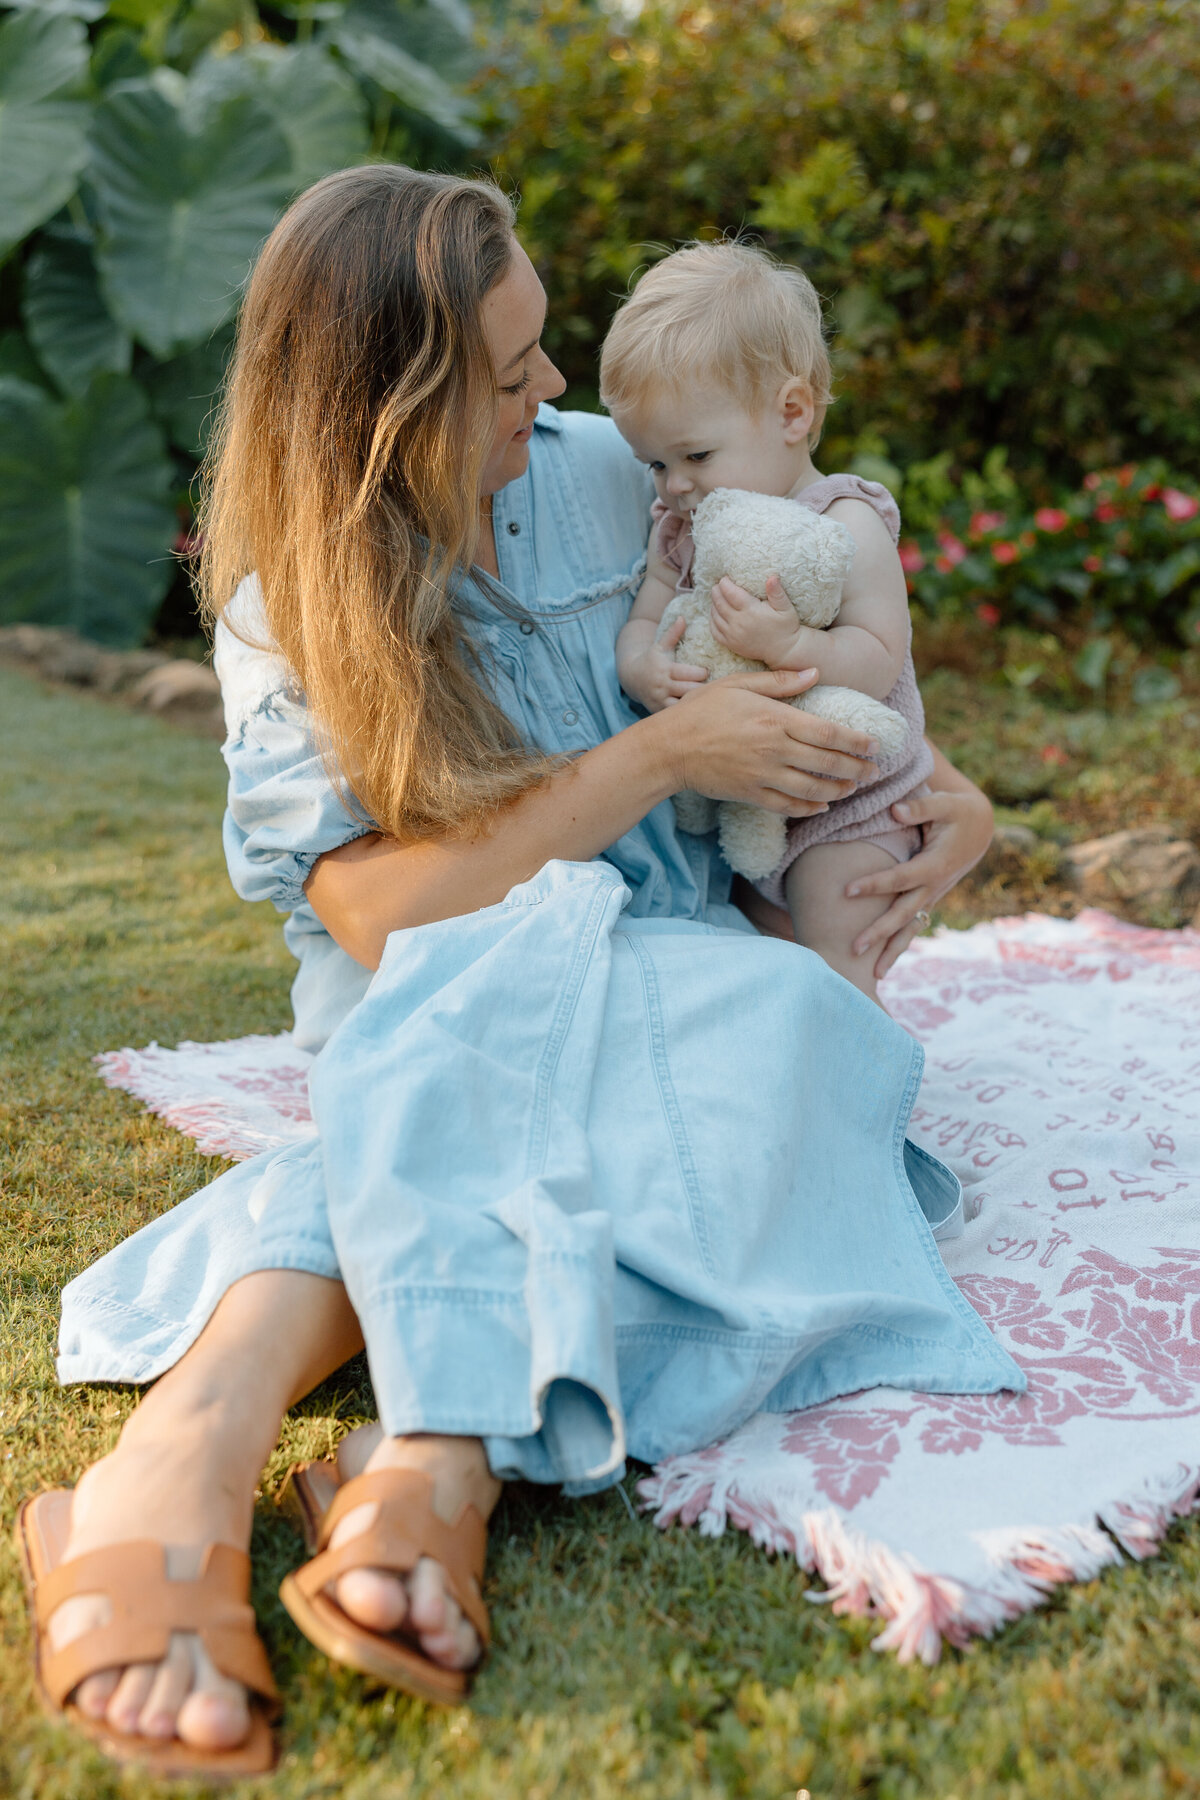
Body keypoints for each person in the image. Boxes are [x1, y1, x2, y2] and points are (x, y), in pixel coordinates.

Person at [19, 165, 1019, 1779]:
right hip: (444, 990)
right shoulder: (302, 603)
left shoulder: (625, 485)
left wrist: (941, 801)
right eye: (508, 373)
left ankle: (389, 1445)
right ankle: (263, 1456)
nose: (553, 394)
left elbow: (799, 654)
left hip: (691, 978)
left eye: (543, 350)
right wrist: (657, 758)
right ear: (397, 409)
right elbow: (389, 921)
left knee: (781, 1035)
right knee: (519, 1034)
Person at [606, 240, 933, 1001]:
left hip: (851, 802)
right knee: (764, 965)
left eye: (695, 455)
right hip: (742, 802)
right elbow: (650, 608)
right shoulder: (680, 523)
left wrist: (791, 644)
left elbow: (879, 655)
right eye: (655, 463)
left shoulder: (847, 522)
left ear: (792, 412)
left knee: (837, 954)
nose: (675, 485)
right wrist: (641, 664)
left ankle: (855, 1087)